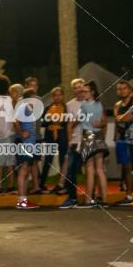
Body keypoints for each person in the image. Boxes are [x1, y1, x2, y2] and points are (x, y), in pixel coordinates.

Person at [78, 81, 108, 207]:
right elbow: (102, 122)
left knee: (89, 169)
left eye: (85, 91)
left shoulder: (84, 105)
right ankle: (104, 199)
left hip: (88, 136)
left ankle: (88, 199)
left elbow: (81, 121)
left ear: (92, 92)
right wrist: (99, 124)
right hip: (99, 136)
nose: (83, 93)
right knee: (100, 169)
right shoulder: (99, 104)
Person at [58, 78, 86, 209]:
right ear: (73, 90)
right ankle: (72, 197)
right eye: (76, 87)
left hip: (89, 141)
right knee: (70, 170)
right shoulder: (70, 104)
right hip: (75, 141)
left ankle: (95, 197)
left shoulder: (91, 102)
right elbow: (70, 124)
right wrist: (69, 141)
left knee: (95, 170)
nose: (79, 89)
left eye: (81, 86)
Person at [15, 88, 40, 210]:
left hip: (30, 143)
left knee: (26, 171)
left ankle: (24, 200)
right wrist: (21, 133)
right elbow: (15, 121)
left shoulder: (28, 108)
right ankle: (22, 201)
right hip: (26, 144)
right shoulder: (23, 106)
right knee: (24, 171)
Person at [40, 86, 67, 193]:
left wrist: (54, 122)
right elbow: (43, 122)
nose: (57, 97)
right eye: (55, 95)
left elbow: (67, 123)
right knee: (48, 160)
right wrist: (53, 122)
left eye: (59, 94)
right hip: (50, 136)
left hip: (62, 136)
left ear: (62, 96)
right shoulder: (47, 108)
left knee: (62, 160)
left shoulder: (66, 108)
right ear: (52, 97)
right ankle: (42, 183)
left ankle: (62, 184)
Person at [112, 80, 133, 205]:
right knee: (126, 168)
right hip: (121, 139)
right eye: (119, 89)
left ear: (129, 89)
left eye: (124, 88)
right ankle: (129, 195)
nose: (122, 91)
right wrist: (115, 138)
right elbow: (117, 121)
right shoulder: (117, 105)